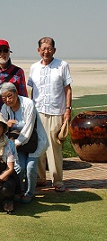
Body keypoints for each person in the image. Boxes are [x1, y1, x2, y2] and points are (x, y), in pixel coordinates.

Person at [28, 37, 72, 192]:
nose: (46, 51)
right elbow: (33, 91)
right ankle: (40, 178)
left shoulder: (62, 65)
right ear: (39, 50)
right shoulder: (34, 67)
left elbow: (68, 89)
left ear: (54, 49)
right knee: (38, 146)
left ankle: (57, 180)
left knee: (54, 147)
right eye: (43, 48)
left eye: (49, 48)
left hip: (55, 112)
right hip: (38, 112)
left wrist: (68, 110)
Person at [0, 82, 48, 203]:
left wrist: (14, 144)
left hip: (33, 142)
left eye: (10, 96)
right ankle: (18, 191)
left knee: (30, 167)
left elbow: (29, 128)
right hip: (17, 143)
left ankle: (29, 193)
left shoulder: (28, 104)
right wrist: (6, 124)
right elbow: (2, 127)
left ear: (16, 93)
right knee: (19, 168)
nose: (7, 100)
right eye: (4, 98)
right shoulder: (5, 108)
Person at [0, 39, 28, 111]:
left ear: (9, 52)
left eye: (5, 50)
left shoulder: (18, 72)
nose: (2, 54)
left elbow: (23, 97)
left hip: (10, 114)